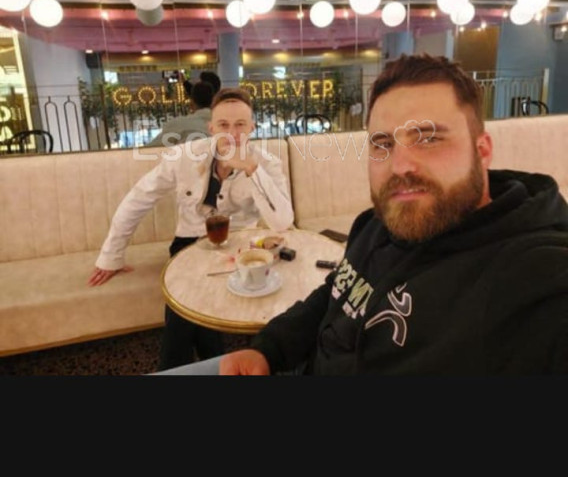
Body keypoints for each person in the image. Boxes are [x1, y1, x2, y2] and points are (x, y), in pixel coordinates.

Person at [197, 53, 567, 376]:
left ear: (482, 151)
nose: (400, 165)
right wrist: (268, 349)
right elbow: (337, 293)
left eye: (428, 138)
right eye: (383, 143)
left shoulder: (534, 278)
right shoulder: (375, 224)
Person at [88, 88, 294, 368]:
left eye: (240, 125)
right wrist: (111, 256)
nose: (232, 133)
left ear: (252, 128)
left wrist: (252, 170)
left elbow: (282, 222)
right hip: (189, 243)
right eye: (223, 125)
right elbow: (139, 198)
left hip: (239, 245)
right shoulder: (183, 156)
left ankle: (193, 366)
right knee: (184, 301)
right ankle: (201, 363)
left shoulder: (267, 164)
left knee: (192, 304)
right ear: (211, 128)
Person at [145, 80, 214, 147]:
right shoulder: (218, 126)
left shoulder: (179, 125)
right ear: (213, 102)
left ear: (191, 103)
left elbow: (150, 149)